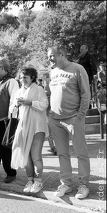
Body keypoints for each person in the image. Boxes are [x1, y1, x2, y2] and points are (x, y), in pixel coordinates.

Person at [48, 45, 91, 199]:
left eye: (51, 56)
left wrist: (80, 116)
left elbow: (86, 94)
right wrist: (50, 115)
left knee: (81, 153)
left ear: (62, 54)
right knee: (62, 154)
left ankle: (83, 185)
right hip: (55, 119)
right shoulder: (52, 73)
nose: (49, 59)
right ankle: (66, 183)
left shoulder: (77, 69)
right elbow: (51, 94)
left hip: (74, 118)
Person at [11, 67, 49, 194]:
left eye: (25, 77)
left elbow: (44, 105)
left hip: (37, 127)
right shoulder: (19, 91)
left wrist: (30, 102)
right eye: (21, 78)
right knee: (26, 155)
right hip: (23, 127)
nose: (23, 80)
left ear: (32, 77)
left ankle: (38, 181)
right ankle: (30, 180)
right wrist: (16, 105)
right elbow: (12, 110)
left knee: (35, 155)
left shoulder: (38, 89)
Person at [42, 72, 57, 156]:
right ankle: (53, 147)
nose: (47, 81)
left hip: (52, 110)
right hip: (49, 111)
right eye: (45, 79)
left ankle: (54, 147)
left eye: (48, 79)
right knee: (50, 130)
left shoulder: (52, 86)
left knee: (51, 130)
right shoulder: (44, 88)